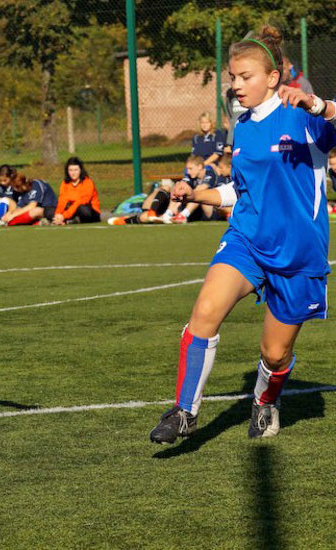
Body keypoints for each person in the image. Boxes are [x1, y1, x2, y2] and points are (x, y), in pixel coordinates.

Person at [149, 26, 336, 444]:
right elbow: (240, 189)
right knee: (204, 312)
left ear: (273, 77)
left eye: (245, 76)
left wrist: (318, 104)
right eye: (232, 77)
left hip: (298, 254)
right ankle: (183, 412)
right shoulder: (244, 126)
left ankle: (265, 401)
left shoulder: (303, 116)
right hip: (247, 239)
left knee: (275, 354)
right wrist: (197, 193)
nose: (236, 85)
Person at [161, 155, 217, 224]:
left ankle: (183, 216)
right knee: (178, 190)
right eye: (187, 169)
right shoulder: (190, 176)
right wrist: (177, 201)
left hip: (212, 209)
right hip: (197, 209)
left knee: (198, 194)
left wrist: (179, 203)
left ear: (199, 167)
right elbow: (181, 186)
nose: (188, 172)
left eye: (190, 169)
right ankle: (168, 214)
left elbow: (201, 188)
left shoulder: (210, 173)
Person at [53, 157, 100, 225]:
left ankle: (70, 220)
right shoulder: (65, 183)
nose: (73, 173)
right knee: (50, 211)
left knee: (82, 209)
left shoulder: (87, 182)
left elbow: (81, 201)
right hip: (71, 211)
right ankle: (61, 220)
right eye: (70, 170)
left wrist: (64, 216)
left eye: (76, 170)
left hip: (89, 211)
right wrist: (58, 215)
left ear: (80, 170)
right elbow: (62, 201)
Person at [107, 179, 173, 225]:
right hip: (166, 205)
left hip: (173, 211)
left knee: (144, 217)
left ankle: (126, 220)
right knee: (166, 187)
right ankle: (152, 213)